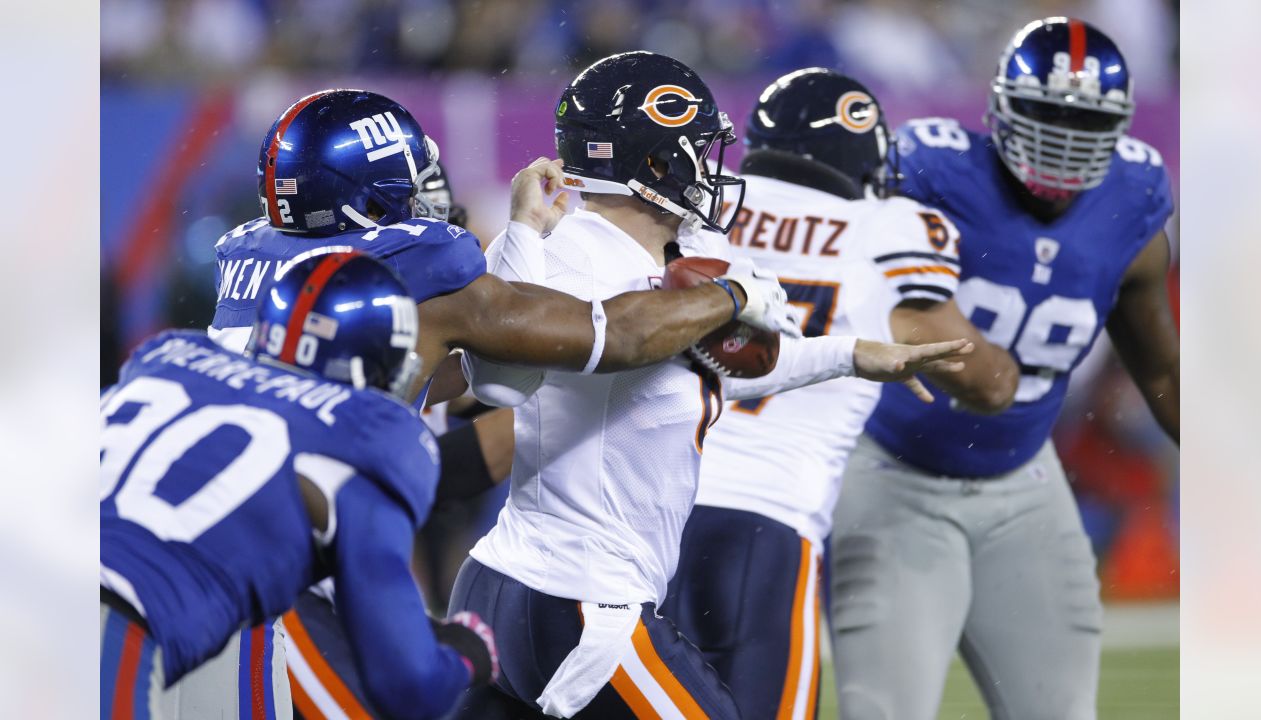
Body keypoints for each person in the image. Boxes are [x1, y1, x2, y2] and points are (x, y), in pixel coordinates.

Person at [198, 88, 801, 717]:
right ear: (372, 197)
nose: (429, 203)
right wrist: (731, 295)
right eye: (410, 186)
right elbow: (611, 337)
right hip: (283, 576)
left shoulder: (252, 258)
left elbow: (454, 381)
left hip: (193, 547)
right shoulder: (417, 268)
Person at [445, 51, 973, 719]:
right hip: (582, 600)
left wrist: (851, 354)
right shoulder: (567, 255)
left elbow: (727, 369)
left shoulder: (669, 266)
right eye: (697, 149)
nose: (712, 167)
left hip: (509, 587)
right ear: (656, 163)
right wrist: (726, 293)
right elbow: (507, 380)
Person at [827, 18, 1179, 720]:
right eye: (1049, 114)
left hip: (1026, 488)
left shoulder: (1131, 201)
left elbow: (1161, 367)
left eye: (1086, 121)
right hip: (894, 477)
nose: (1065, 137)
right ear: (1001, 109)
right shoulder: (928, 170)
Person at [659, 68, 1019, 720]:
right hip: (764, 520)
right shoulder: (887, 229)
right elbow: (984, 381)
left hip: (645, 506)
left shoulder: (698, 207)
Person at [100, 251, 500, 720]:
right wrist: (465, 652)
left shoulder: (168, 356)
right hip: (107, 622)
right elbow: (409, 687)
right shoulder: (366, 436)